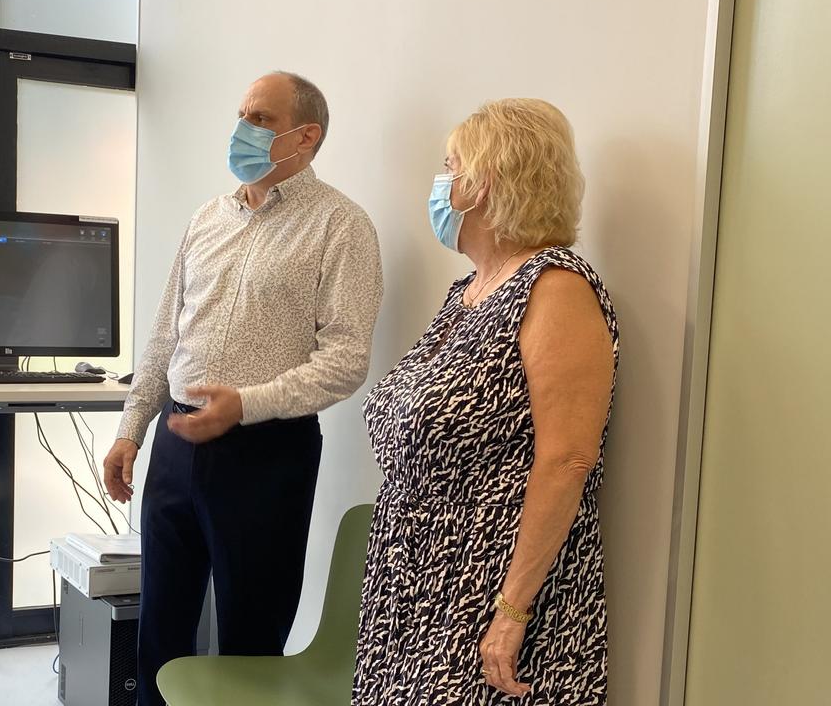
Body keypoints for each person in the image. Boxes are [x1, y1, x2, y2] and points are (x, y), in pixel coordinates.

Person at [103, 71, 383, 705]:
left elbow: (345, 361)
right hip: (175, 449)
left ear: (305, 136)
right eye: (242, 114)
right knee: (159, 636)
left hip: (266, 456)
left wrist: (245, 405)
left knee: (252, 644)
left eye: (260, 118)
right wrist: (131, 429)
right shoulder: (208, 217)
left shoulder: (342, 226)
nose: (242, 129)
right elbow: (163, 335)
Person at [353, 98, 618, 705]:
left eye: (450, 166)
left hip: (491, 598)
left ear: (486, 184)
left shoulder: (556, 287)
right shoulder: (465, 293)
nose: (439, 184)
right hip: (413, 590)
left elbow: (568, 461)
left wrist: (512, 611)